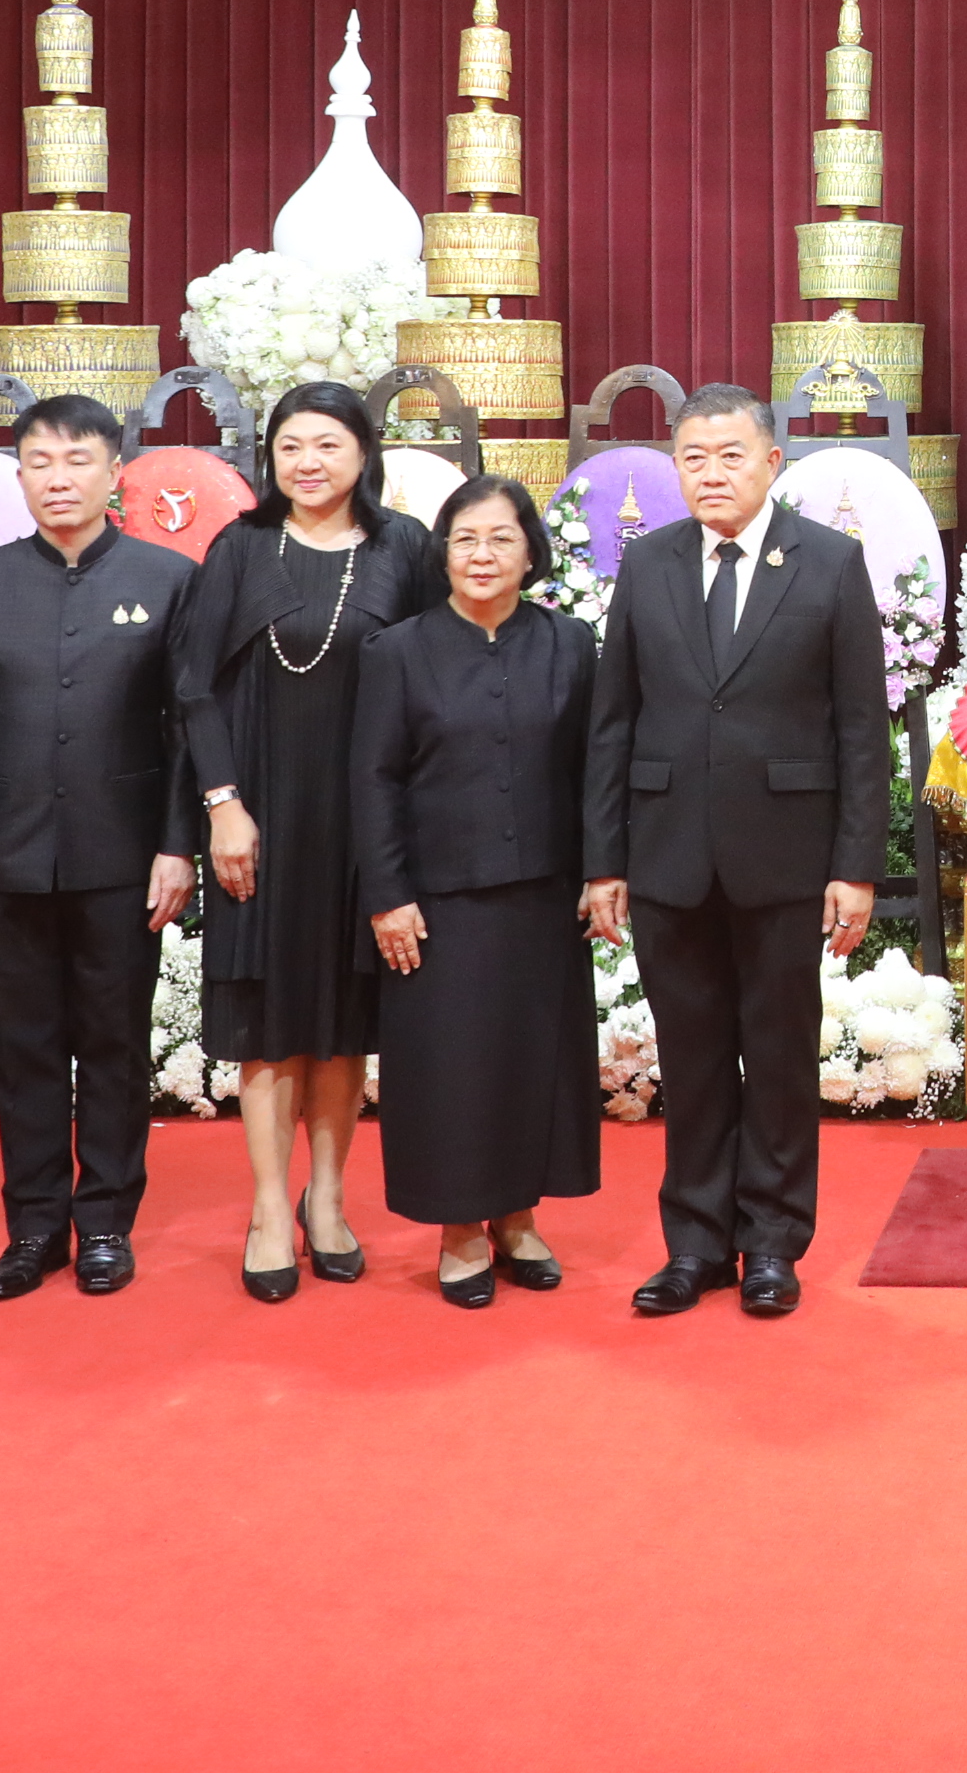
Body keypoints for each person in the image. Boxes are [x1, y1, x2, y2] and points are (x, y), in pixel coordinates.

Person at [582, 385, 891, 1321]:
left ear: (771, 464)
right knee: (696, 1054)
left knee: (782, 1055)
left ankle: (772, 1244)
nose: (710, 474)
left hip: (787, 854)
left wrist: (857, 865)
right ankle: (695, 1245)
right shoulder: (651, 564)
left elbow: (858, 732)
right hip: (669, 850)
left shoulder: (830, 564)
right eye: (692, 458)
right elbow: (614, 721)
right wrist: (605, 860)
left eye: (729, 455)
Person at [0, 395, 210, 1303]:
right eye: (40, 462)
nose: (58, 478)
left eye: (77, 460)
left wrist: (178, 845)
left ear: (114, 471)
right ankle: (35, 1225)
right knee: (25, 1046)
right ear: (19, 476)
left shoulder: (169, 579)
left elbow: (185, 730)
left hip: (123, 859)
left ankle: (106, 1224)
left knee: (116, 1045)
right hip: (6, 858)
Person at [178, 381, 444, 1303]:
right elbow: (194, 685)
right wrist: (222, 804)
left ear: (363, 454)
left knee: (340, 1024)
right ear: (270, 456)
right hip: (260, 814)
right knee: (271, 1020)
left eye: (328, 445)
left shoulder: (405, 548)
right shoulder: (242, 547)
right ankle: (264, 1207)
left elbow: (435, 674)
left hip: (366, 820)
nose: (309, 463)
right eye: (291, 445)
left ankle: (326, 1199)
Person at [356, 473, 601, 1305]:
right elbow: (374, 782)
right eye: (465, 539)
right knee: (451, 1069)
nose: (482, 554)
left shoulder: (569, 643)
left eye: (500, 538)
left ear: (530, 551)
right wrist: (388, 895)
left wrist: (601, 871)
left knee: (534, 1063)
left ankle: (520, 1218)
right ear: (443, 552)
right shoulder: (397, 651)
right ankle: (461, 1229)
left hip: (543, 896)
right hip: (437, 900)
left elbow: (592, 772)